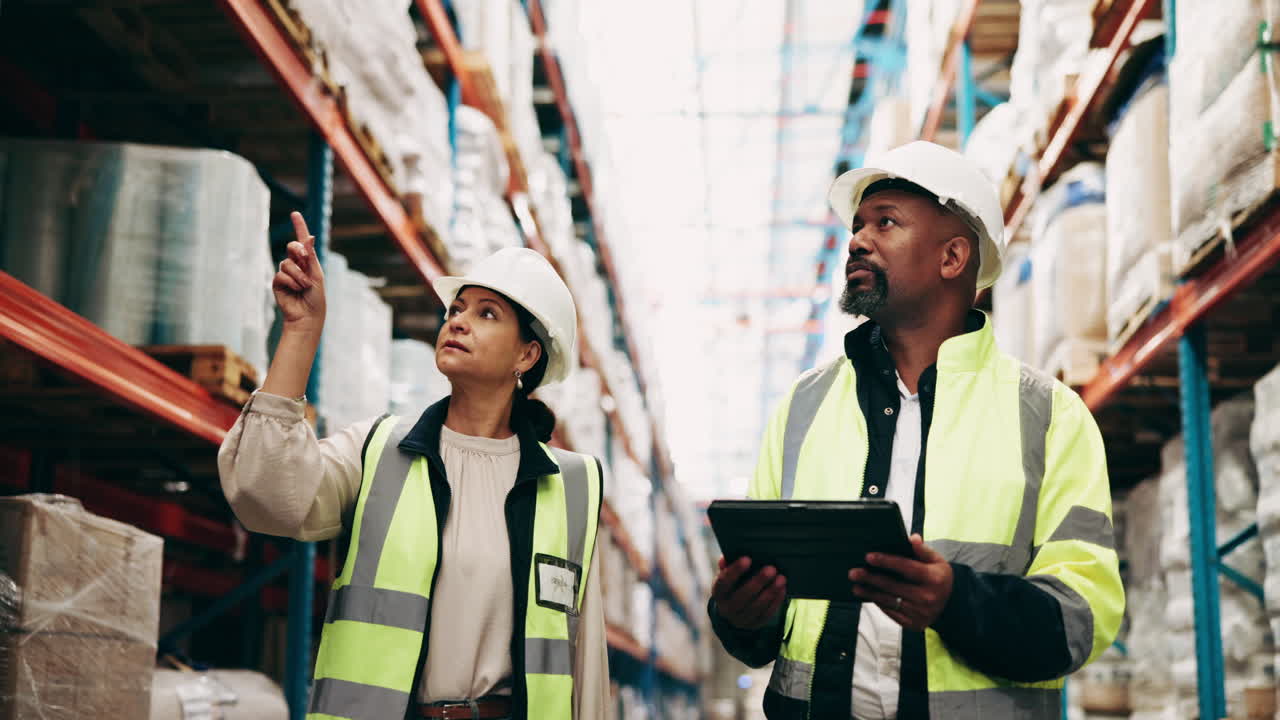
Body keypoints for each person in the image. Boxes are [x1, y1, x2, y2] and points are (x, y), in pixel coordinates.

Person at [707, 142, 1124, 719]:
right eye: (857, 225)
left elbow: (1081, 618)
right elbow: (762, 634)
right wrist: (741, 614)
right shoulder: (803, 408)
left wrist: (956, 601)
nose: (857, 239)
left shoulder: (1050, 417)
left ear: (952, 257)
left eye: (886, 222)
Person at [219, 212, 607, 720]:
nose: (458, 321)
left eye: (487, 314)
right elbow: (263, 495)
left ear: (527, 354)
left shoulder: (574, 485)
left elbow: (586, 660)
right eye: (457, 308)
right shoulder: (379, 449)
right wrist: (300, 333)